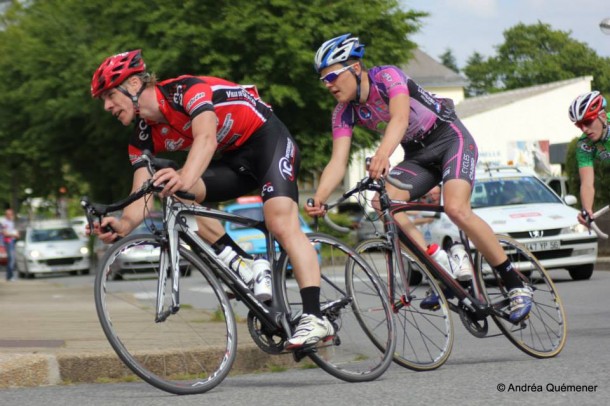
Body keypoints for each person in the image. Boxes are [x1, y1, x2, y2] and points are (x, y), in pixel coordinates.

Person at [89, 50, 333, 348]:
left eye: (110, 95)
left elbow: (206, 138)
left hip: (268, 141)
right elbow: (141, 193)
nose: (106, 106)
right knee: (171, 191)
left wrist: (185, 176)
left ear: (135, 84)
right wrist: (123, 224)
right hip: (235, 160)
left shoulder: (185, 90)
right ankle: (243, 263)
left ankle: (314, 317)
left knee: (280, 222)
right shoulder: (141, 138)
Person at [306, 34, 532, 322]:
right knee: (382, 204)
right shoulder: (343, 113)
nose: (328, 85)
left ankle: (515, 283)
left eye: (333, 76)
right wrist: (321, 197)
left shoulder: (387, 76)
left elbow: (399, 118)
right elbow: (338, 161)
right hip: (417, 155)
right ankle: (440, 266)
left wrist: (383, 154)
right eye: (323, 80)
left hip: (450, 138)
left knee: (456, 208)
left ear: (356, 68)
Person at [568, 90, 610, 226]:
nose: (584, 129)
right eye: (579, 125)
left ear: (602, 116)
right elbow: (587, 183)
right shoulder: (584, 144)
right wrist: (587, 210)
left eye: (587, 122)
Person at [1, 208, 19, 281]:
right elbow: (5, 233)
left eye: (11, 214)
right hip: (8, 242)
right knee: (11, 259)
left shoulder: (11, 222)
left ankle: (9, 276)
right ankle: (10, 276)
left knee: (12, 259)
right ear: (6, 215)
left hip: (12, 241)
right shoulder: (4, 223)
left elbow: (14, 232)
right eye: (8, 214)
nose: (10, 216)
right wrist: (14, 235)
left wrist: (16, 235)